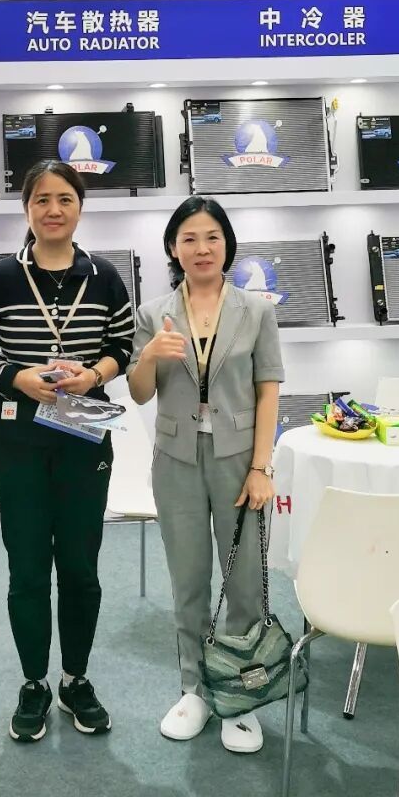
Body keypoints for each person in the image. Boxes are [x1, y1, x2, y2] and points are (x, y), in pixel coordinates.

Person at [0, 160, 134, 742]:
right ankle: (33, 681)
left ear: (79, 206)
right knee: (28, 567)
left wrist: (94, 375)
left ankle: (75, 679)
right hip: (19, 440)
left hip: (84, 437)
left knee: (81, 568)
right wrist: (17, 378)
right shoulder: (0, 278)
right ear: (26, 208)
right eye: (41, 200)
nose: (53, 210)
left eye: (65, 199)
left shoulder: (104, 277)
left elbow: (122, 345)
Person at [127, 197, 284, 754]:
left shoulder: (256, 311)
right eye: (189, 238)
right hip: (176, 459)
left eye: (212, 237)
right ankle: (194, 688)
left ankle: (240, 694)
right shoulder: (152, 313)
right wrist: (150, 354)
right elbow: (139, 392)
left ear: (227, 245)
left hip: (238, 459)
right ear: (173, 248)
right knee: (188, 580)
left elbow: (268, 391)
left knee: (243, 582)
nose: (201, 248)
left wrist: (261, 467)